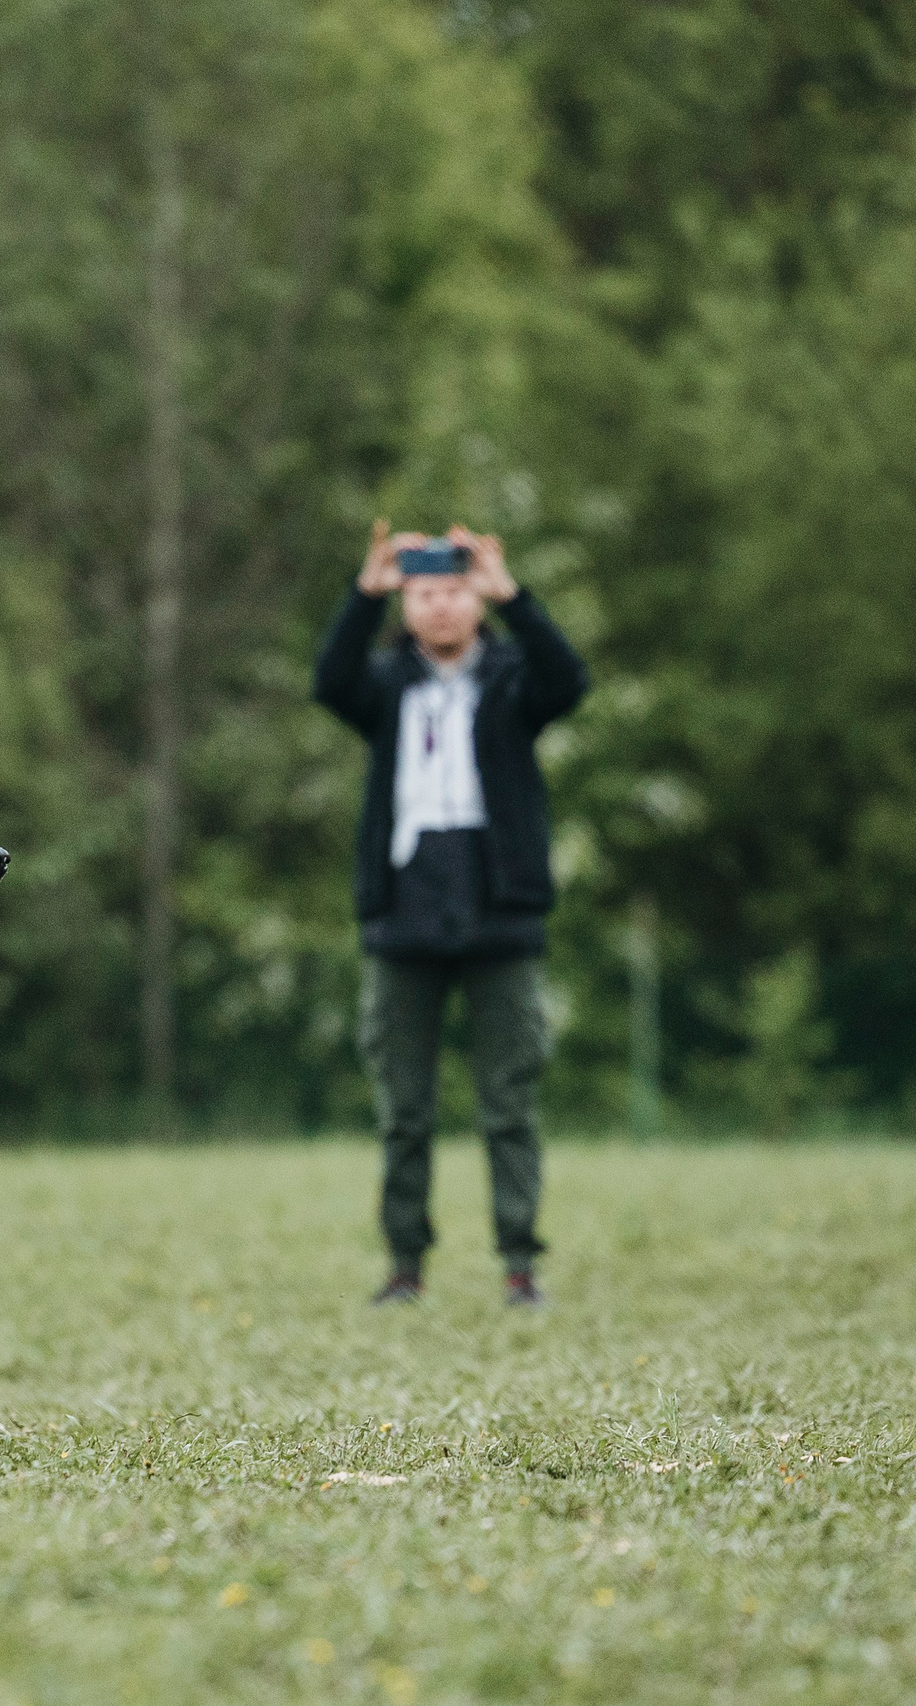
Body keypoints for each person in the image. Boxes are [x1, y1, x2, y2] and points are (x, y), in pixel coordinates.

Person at [313, 520, 590, 1306]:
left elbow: (570, 682)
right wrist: (363, 597)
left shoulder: (512, 677)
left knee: (510, 1104)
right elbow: (328, 683)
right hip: (402, 911)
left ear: (476, 601)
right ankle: (405, 1266)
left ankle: (519, 1263)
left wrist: (518, 596)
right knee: (404, 1110)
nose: (439, 607)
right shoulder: (385, 684)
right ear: (408, 603)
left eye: (455, 592)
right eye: (425, 593)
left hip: (500, 910)